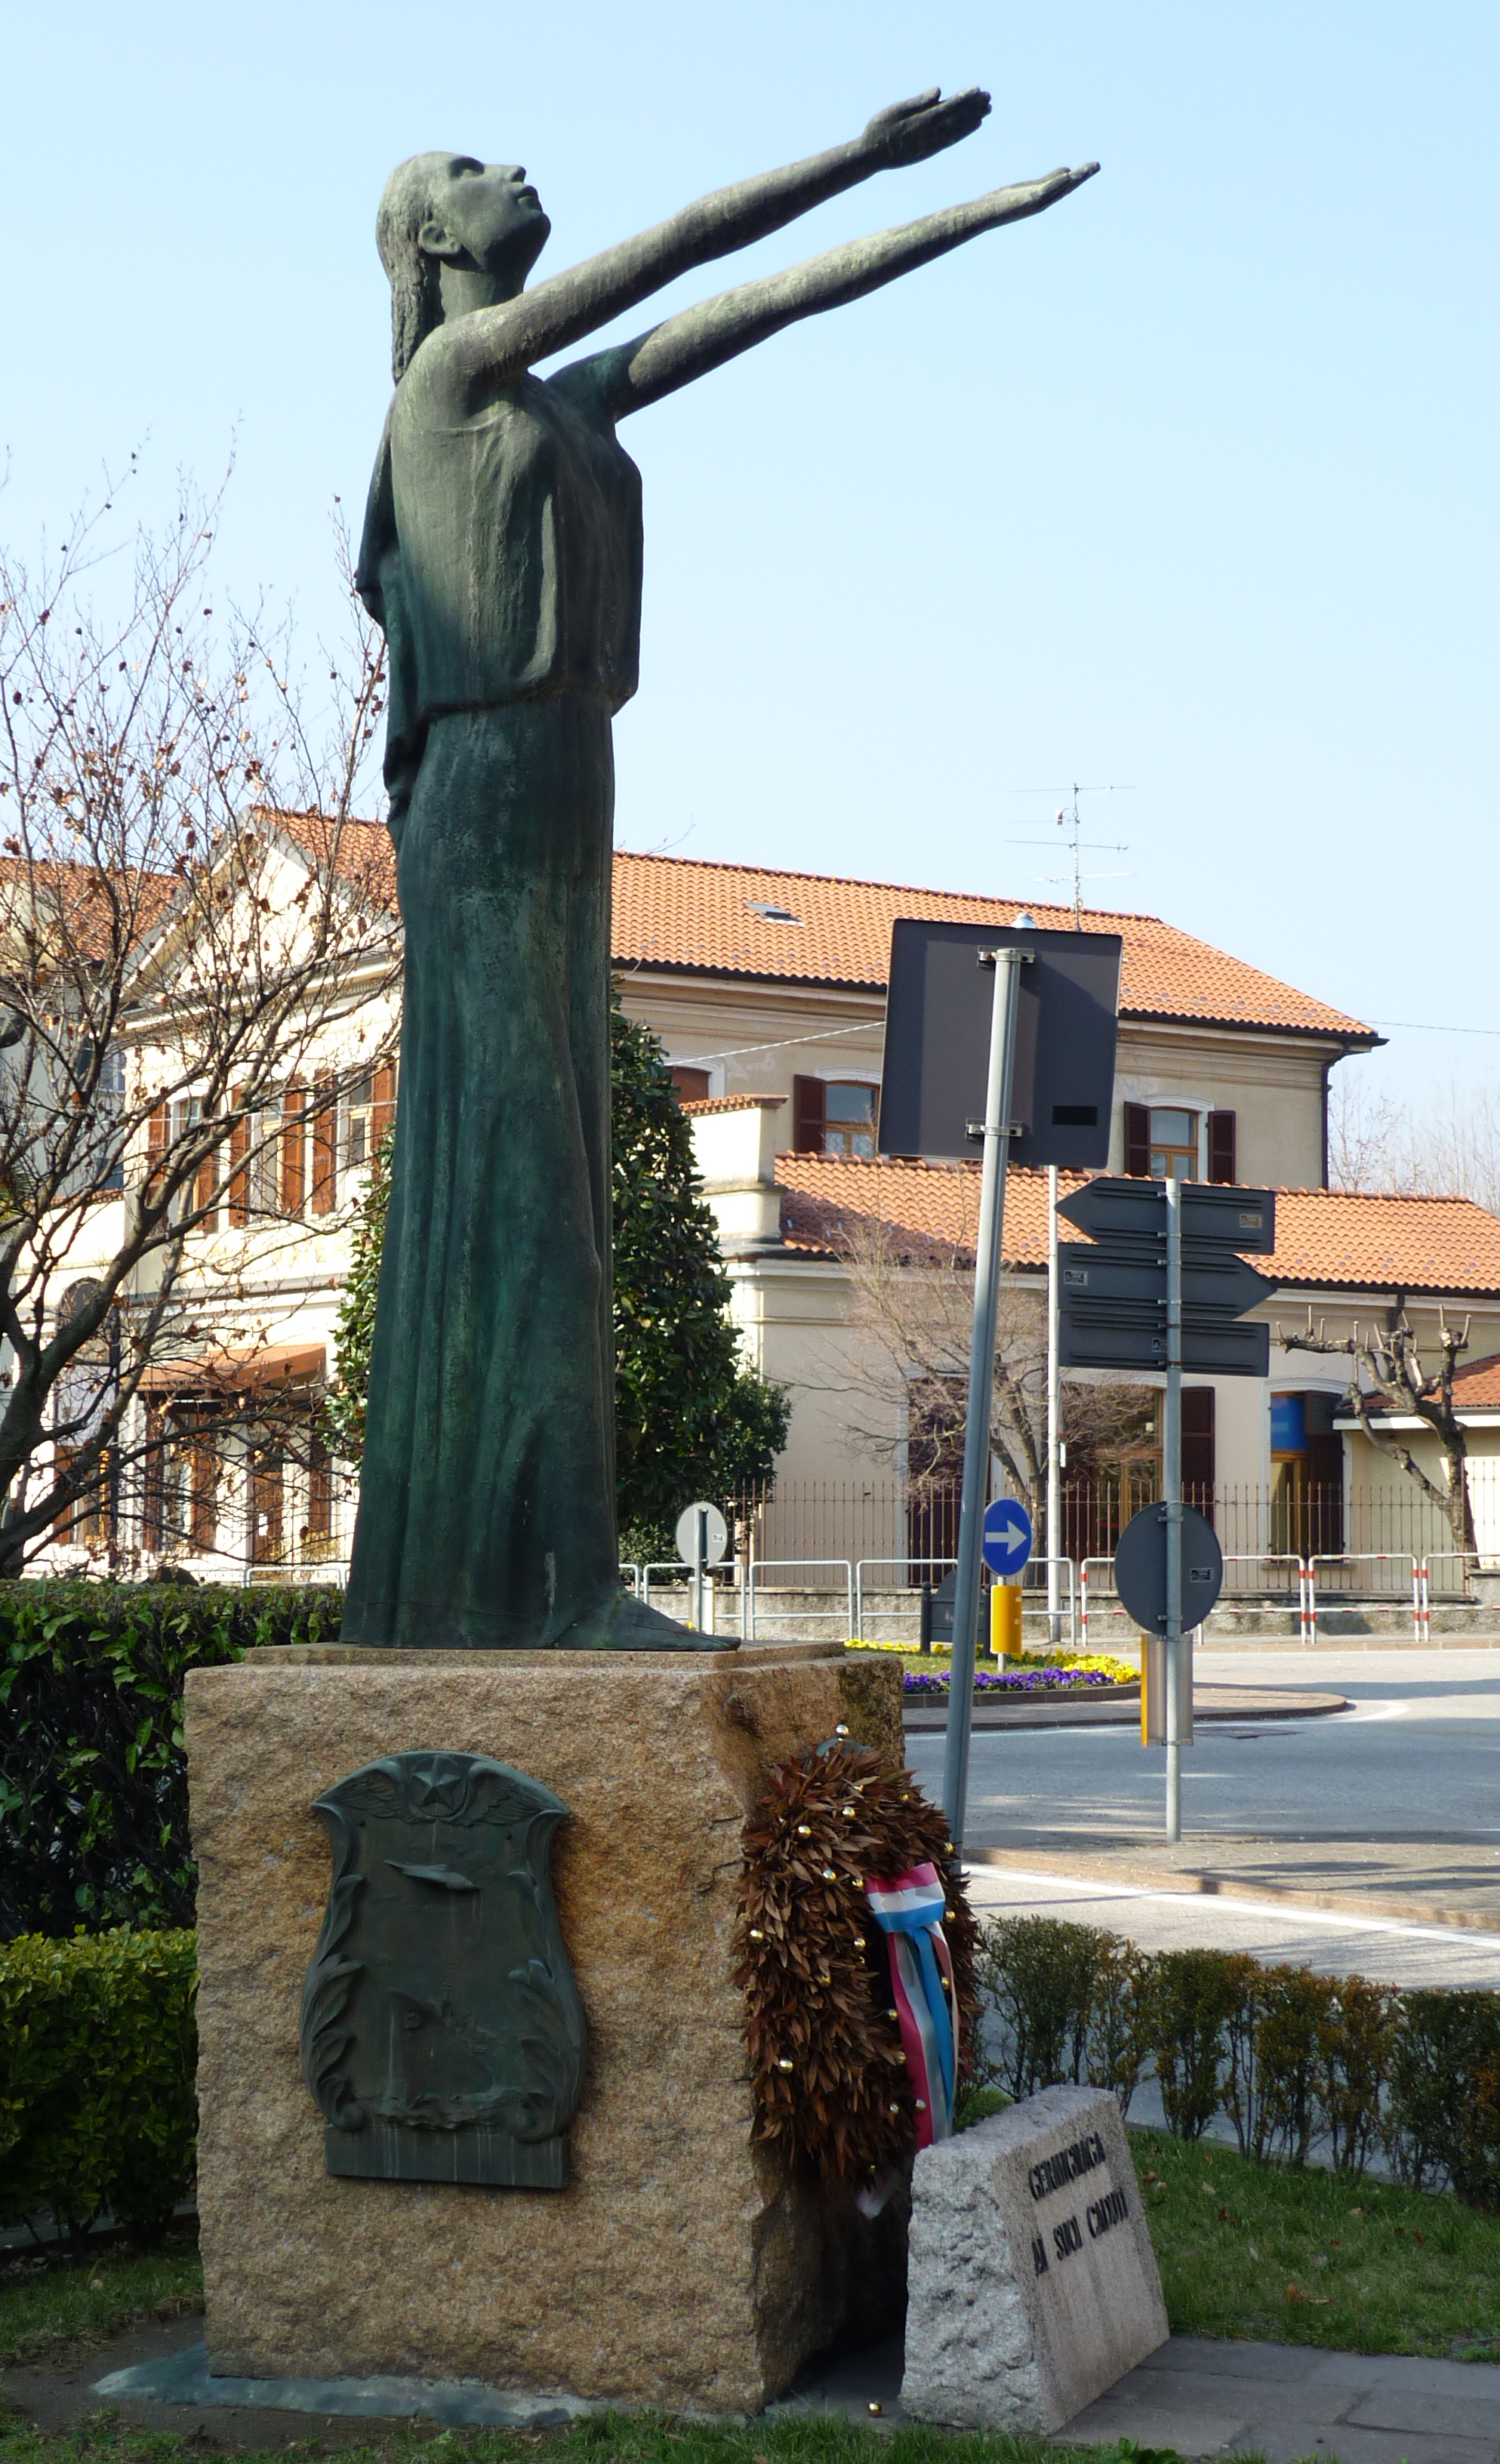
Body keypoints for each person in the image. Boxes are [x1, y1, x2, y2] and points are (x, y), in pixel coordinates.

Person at [343, 94, 1097, 1651]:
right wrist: (854, 156)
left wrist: (969, 216)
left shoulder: (556, 402)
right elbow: (671, 253)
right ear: (428, 239)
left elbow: (755, 305)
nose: (518, 169)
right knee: (531, 1187)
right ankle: (547, 1596)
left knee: (563, 1188)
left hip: (562, 781)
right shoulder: (441, 378)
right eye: (477, 168)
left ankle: (538, 1583)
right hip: (484, 788)